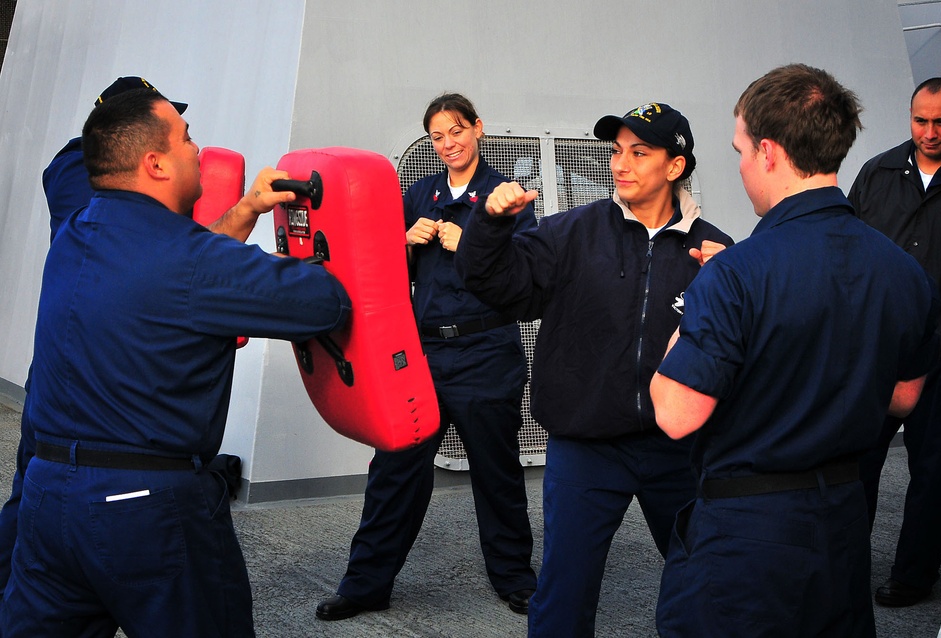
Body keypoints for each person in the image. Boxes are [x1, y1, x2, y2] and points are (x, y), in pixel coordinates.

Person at [0, 89, 351, 637]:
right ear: (155, 164)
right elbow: (323, 303)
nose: (199, 150)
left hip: (47, 499)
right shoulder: (195, 261)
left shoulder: (73, 233)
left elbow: (169, 272)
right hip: (146, 512)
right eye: (186, 139)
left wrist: (243, 212)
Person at [649, 64, 940, 637]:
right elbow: (904, 398)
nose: (739, 167)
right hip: (841, 524)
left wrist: (691, 318)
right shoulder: (904, 272)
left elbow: (677, 415)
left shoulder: (734, 275)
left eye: (739, 151)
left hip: (745, 536)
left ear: (768, 151)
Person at [455, 102, 732, 637]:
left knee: (708, 579)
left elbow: (737, 354)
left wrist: (726, 283)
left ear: (675, 166)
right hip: (585, 445)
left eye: (639, 152)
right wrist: (490, 224)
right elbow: (489, 283)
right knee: (563, 592)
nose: (620, 164)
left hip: (676, 448)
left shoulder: (714, 251)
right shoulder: (572, 232)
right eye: (615, 152)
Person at [315, 93, 538, 622]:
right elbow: (385, 276)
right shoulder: (418, 194)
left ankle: (516, 580)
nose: (449, 143)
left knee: (496, 474)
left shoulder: (503, 196)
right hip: (425, 352)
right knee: (394, 469)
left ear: (479, 129)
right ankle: (366, 583)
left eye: (457, 130)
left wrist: (476, 245)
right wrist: (404, 244)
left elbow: (529, 274)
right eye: (438, 136)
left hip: (486, 351)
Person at [0, 76, 193, 600]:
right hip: (91, 352)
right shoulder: (80, 165)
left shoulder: (72, 164)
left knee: (36, 482)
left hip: (69, 345)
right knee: (40, 481)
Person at [849, 77, 941, 607]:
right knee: (854, 464)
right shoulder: (879, 172)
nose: (929, 132)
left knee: (934, 476)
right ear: (909, 117)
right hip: (878, 354)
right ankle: (844, 570)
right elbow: (848, 249)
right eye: (920, 120)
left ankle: (913, 578)